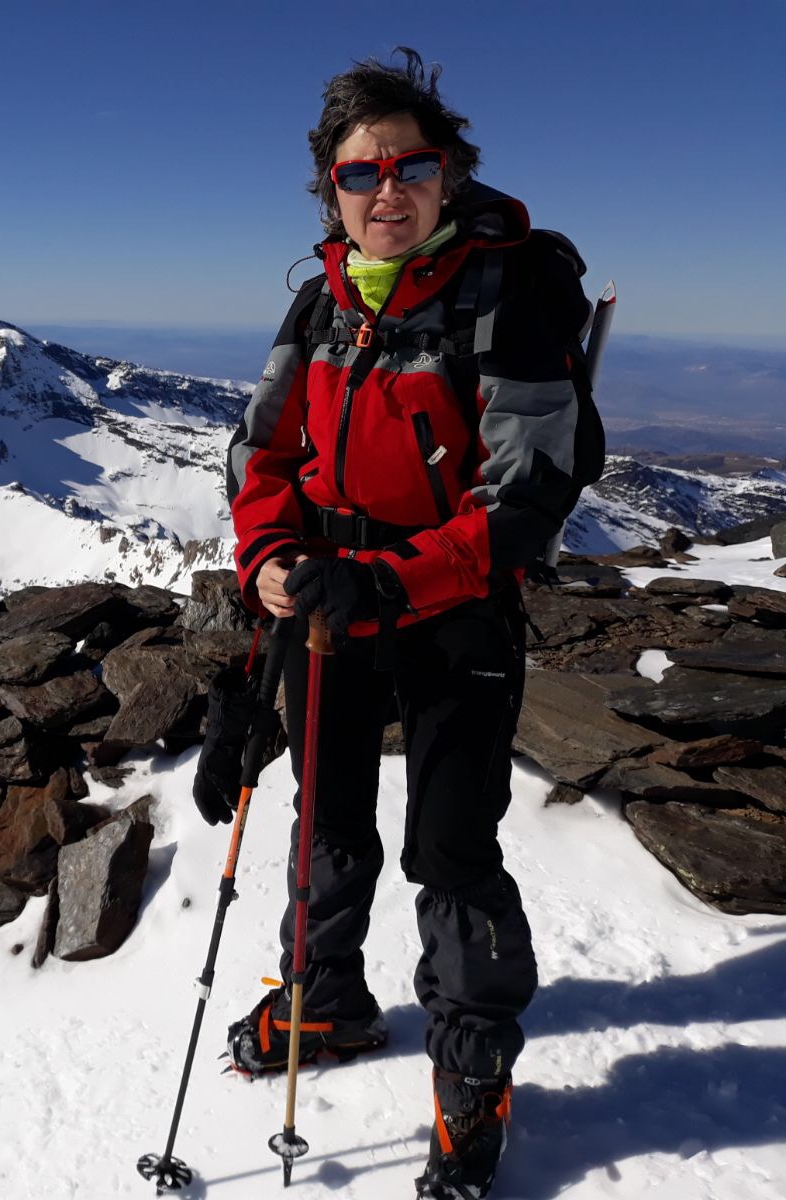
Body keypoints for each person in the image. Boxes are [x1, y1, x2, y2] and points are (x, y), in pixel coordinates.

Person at [215, 48, 603, 1200]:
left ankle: (471, 1067)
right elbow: (264, 450)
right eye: (358, 175)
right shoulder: (322, 294)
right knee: (327, 821)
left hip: (453, 619)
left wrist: (387, 583)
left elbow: (525, 497)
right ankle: (325, 999)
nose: (387, 191)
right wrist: (270, 557)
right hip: (329, 610)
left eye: (412, 166)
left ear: (448, 173)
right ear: (327, 191)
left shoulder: (510, 290)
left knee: (448, 846)